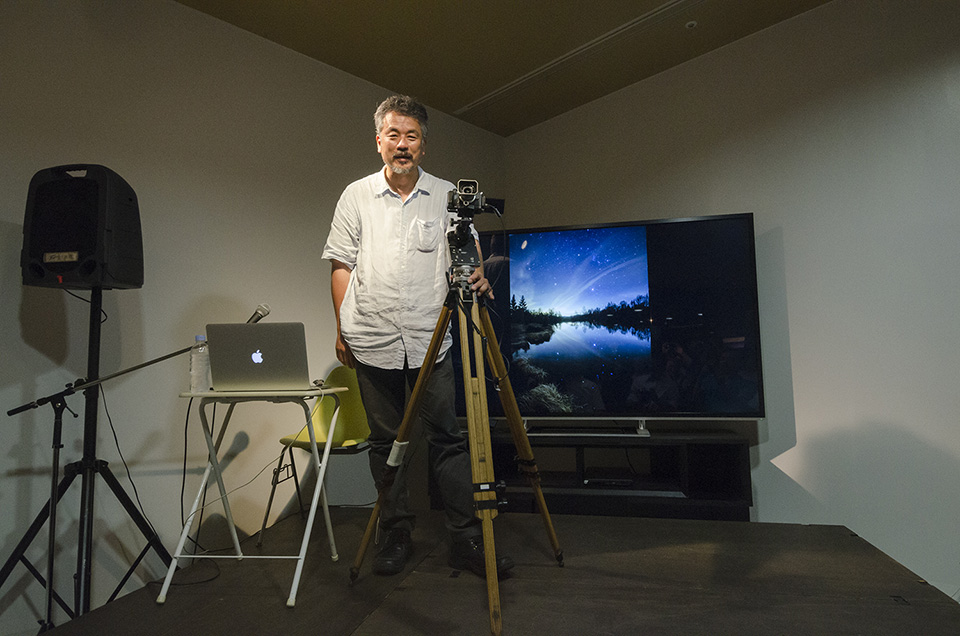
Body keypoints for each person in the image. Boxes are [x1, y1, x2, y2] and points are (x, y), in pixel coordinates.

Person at [321, 95, 513, 577]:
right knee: (386, 444)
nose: (402, 145)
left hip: (435, 339)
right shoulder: (356, 195)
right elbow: (341, 265)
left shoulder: (447, 195)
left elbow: (467, 262)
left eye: (411, 136)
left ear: (423, 145)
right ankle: (395, 534)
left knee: (449, 439)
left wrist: (478, 277)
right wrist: (342, 327)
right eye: (393, 135)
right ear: (379, 141)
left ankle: (466, 539)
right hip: (372, 338)